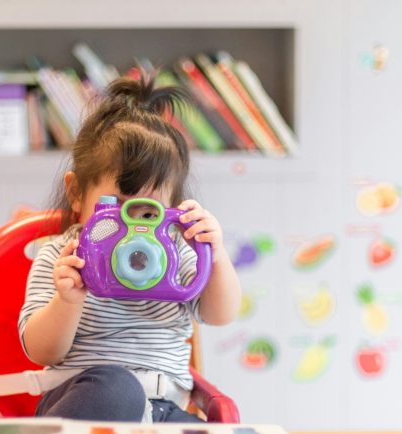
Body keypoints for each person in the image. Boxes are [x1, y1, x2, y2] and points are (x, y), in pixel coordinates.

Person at [17, 72, 242, 423]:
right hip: (87, 403)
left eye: (148, 212)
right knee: (117, 389)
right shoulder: (63, 256)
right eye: (117, 207)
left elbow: (220, 314)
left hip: (164, 409)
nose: (132, 228)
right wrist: (67, 300)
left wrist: (215, 252)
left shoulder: (175, 253)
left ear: (172, 208)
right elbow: (40, 350)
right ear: (77, 193)